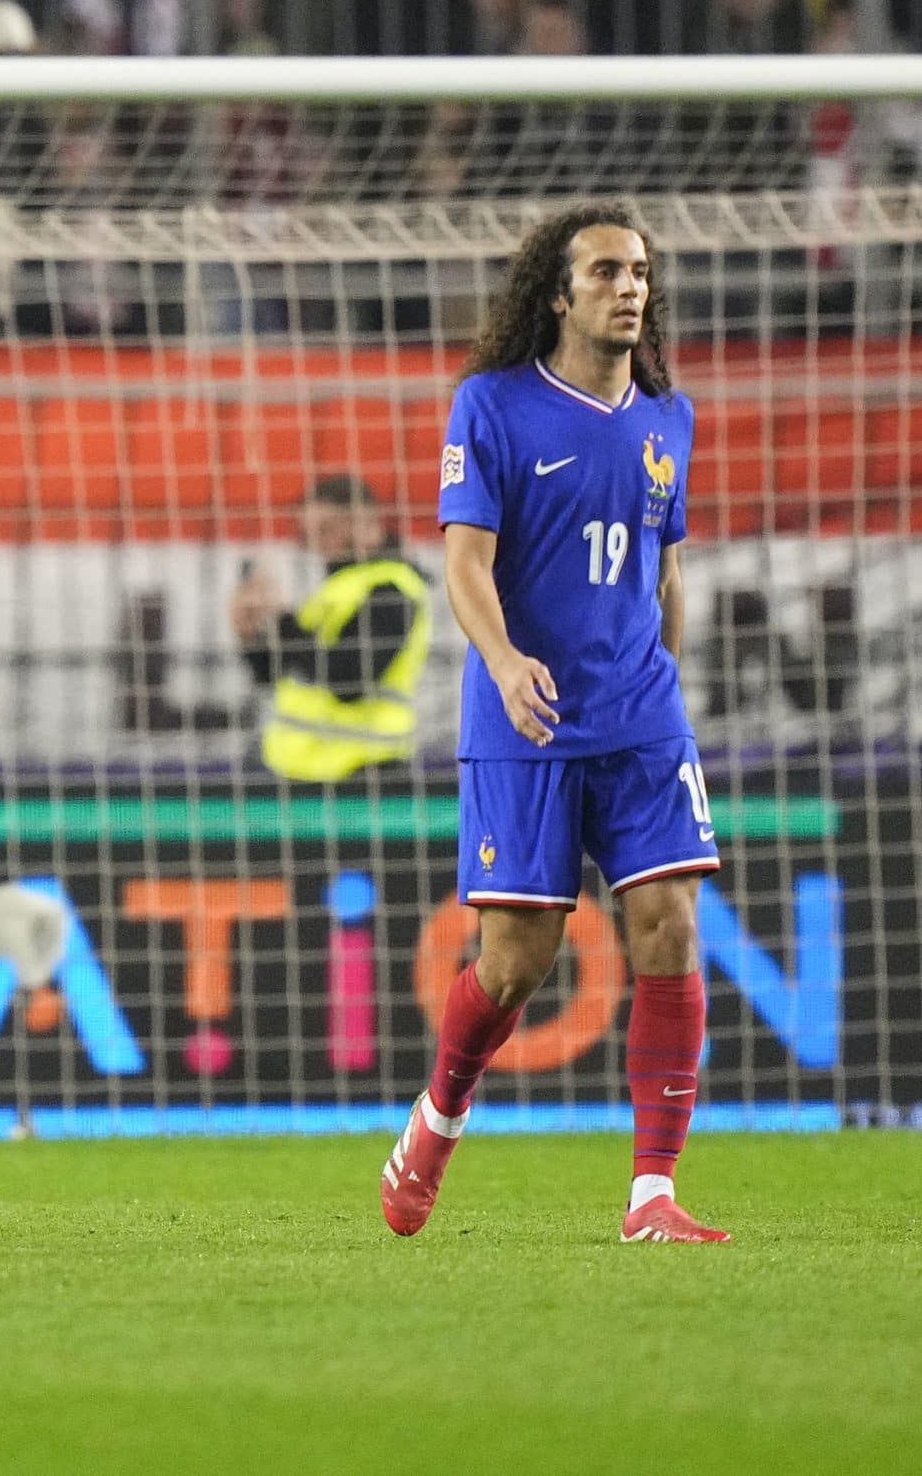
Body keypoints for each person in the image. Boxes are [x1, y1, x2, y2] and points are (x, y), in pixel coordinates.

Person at [385, 201, 726, 1244]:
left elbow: (664, 571)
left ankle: (650, 1195)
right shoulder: (490, 406)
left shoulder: (669, 418)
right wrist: (504, 660)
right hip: (524, 719)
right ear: (557, 292)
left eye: (640, 273)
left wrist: (664, 681)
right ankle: (437, 1119)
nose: (631, 287)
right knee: (514, 963)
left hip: (639, 720)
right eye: (608, 271)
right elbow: (463, 563)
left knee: (668, 919)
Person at [230, 474, 430, 785]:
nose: (317, 544)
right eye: (309, 533)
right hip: (301, 771)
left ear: (366, 526)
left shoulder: (392, 588)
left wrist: (283, 618)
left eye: (327, 530)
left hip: (363, 772)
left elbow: (349, 679)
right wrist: (250, 636)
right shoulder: (335, 590)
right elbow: (281, 675)